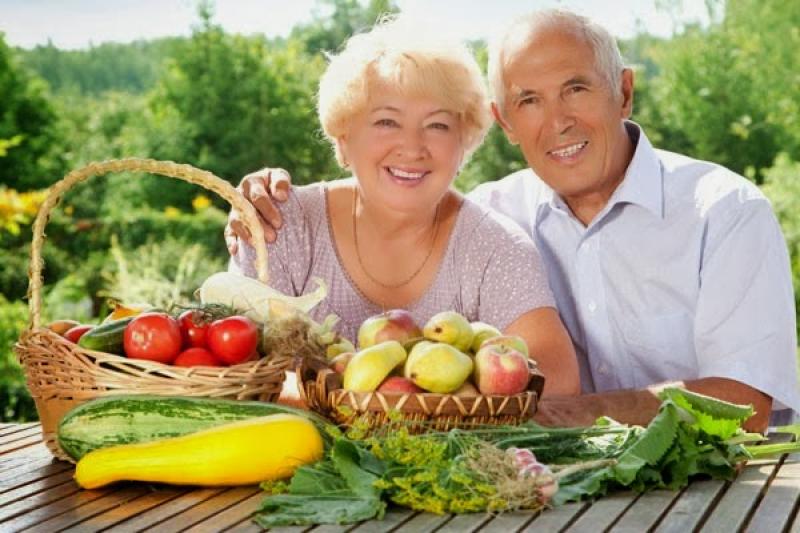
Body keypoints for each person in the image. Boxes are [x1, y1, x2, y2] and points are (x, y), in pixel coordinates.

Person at [226, 9, 799, 432]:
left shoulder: (723, 211)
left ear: (623, 92)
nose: (557, 122)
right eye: (529, 100)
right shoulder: (497, 213)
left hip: (738, 482)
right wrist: (259, 199)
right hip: (561, 480)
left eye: (576, 88)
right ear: (503, 122)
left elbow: (744, 405)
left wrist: (558, 414)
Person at [228, 16, 580, 397]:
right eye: (386, 122)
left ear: (463, 144)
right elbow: (239, 370)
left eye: (438, 125)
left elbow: (558, 383)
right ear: (344, 139)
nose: (412, 147)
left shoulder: (496, 246)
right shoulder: (283, 224)